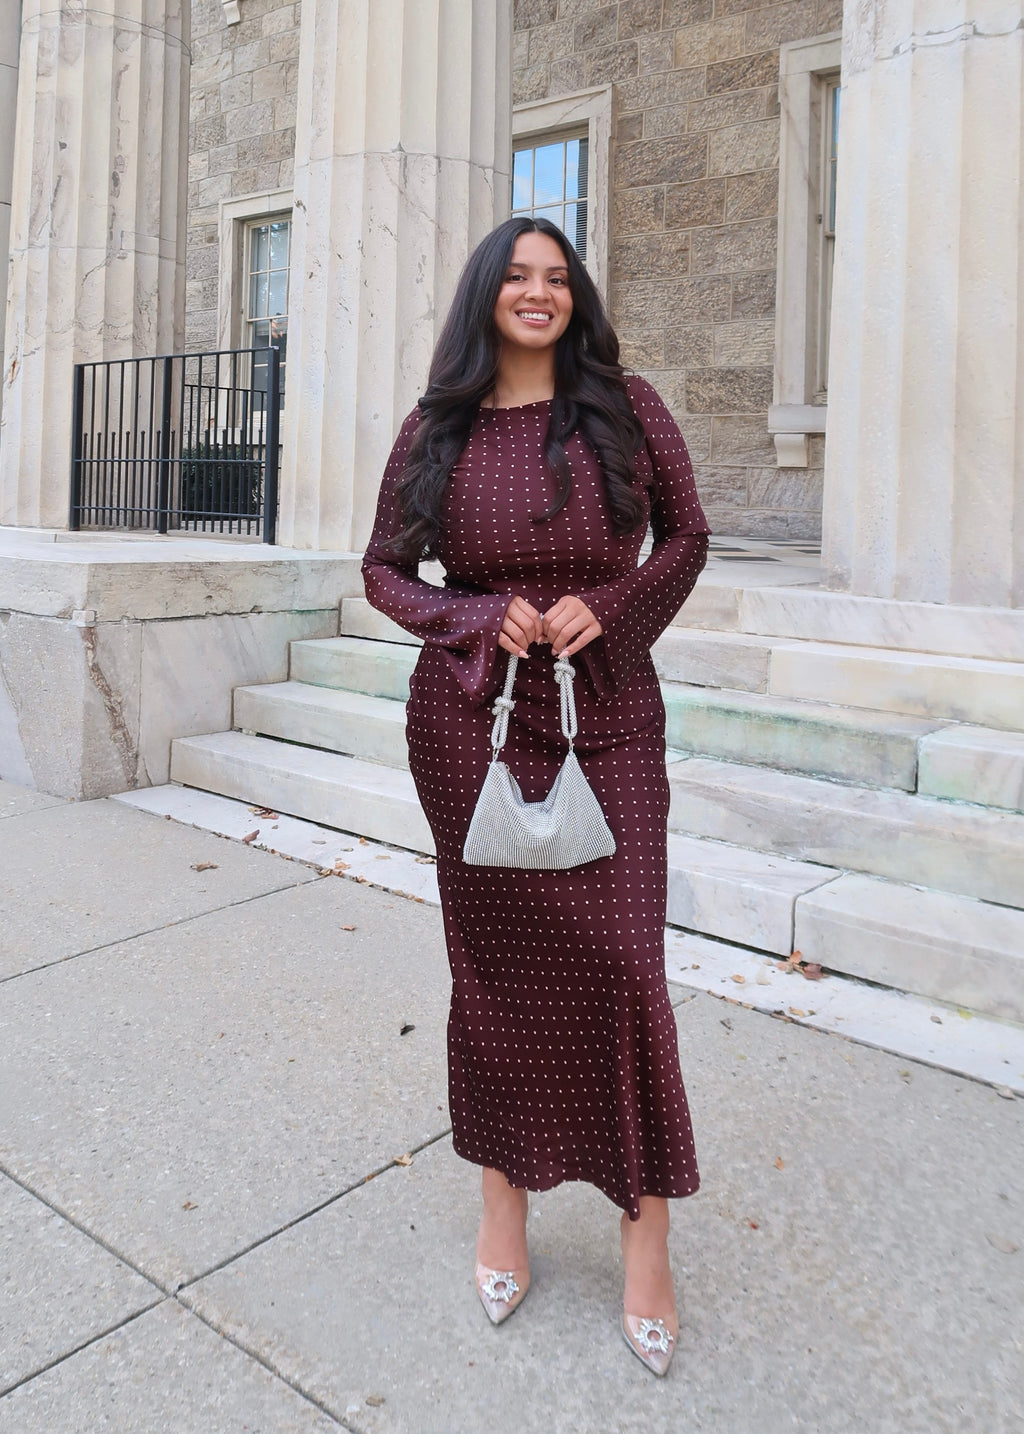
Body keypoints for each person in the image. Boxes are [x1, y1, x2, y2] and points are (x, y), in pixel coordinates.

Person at [362, 216, 710, 1376]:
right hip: (471, 723)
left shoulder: (625, 405)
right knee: (493, 972)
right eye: (516, 277)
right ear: (483, 296)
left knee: (625, 970)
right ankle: (501, 1206)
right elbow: (380, 572)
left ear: (577, 299)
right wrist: (472, 614)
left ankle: (643, 1233)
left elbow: (689, 537)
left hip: (605, 712)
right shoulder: (437, 427)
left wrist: (611, 606)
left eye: (557, 279)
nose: (539, 293)